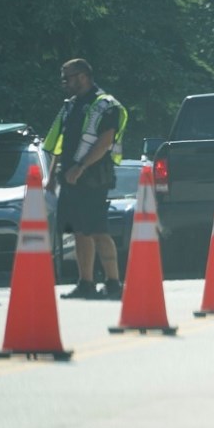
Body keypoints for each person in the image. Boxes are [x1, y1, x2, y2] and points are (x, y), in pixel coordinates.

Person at [44, 58, 128, 299]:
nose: (64, 83)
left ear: (82, 76)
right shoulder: (70, 106)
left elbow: (105, 141)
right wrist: (51, 176)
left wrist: (80, 167)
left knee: (98, 230)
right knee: (79, 231)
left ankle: (113, 282)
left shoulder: (105, 105)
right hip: (70, 179)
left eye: (67, 78)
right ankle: (86, 283)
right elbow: (61, 144)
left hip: (93, 178)